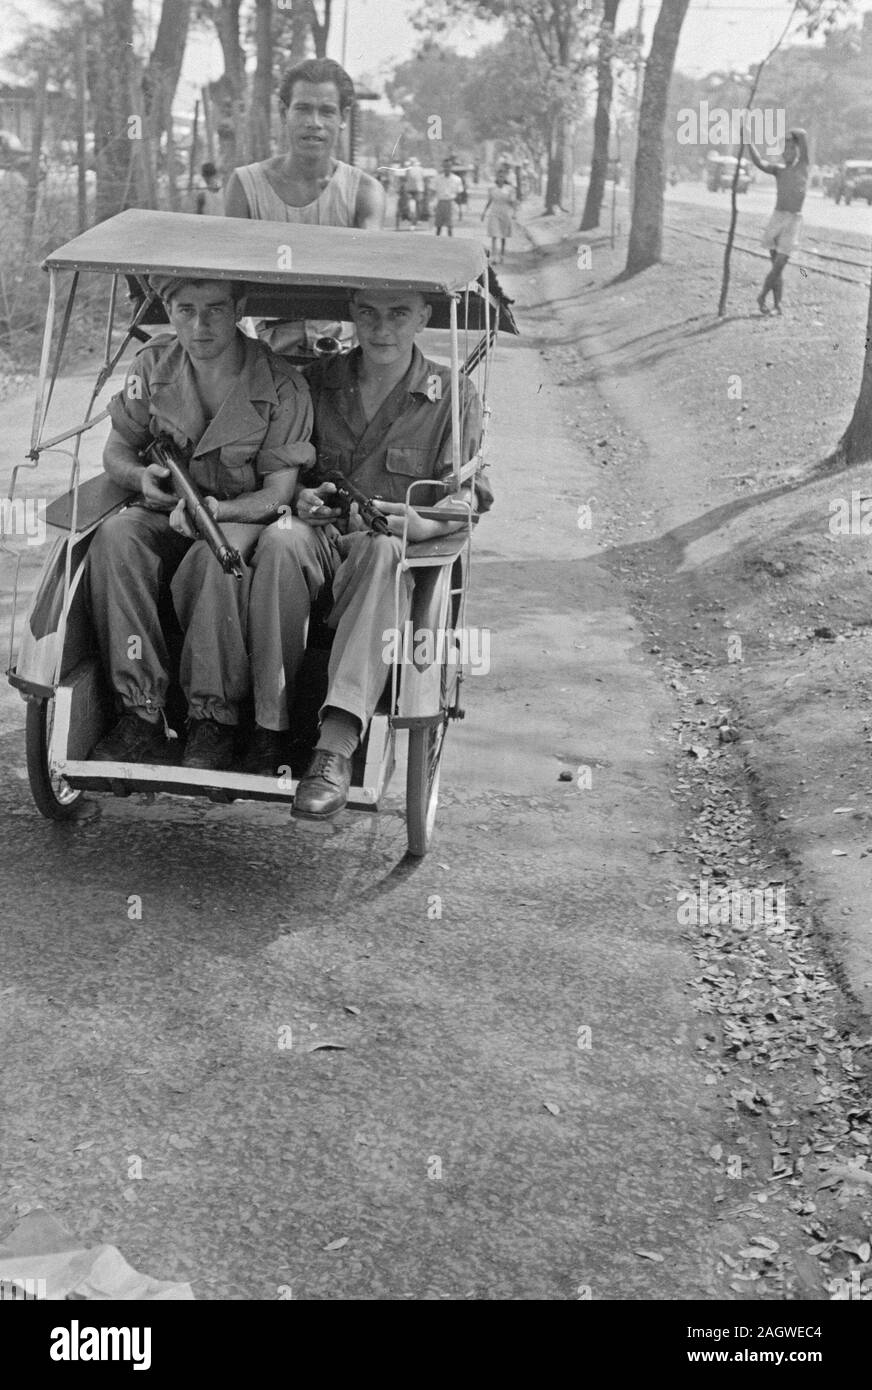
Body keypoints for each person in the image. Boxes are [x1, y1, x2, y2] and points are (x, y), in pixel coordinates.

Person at [243, 286, 490, 817]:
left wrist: (421, 523)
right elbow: (290, 472)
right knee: (279, 540)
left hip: (386, 550)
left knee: (383, 551)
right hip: (321, 537)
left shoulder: (453, 393)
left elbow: (467, 494)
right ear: (351, 315)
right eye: (368, 314)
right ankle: (269, 728)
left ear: (424, 316)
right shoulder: (314, 383)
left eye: (398, 314)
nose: (381, 329)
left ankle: (334, 747)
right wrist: (303, 497)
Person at [86, 276, 315, 771]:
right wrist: (140, 478)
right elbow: (117, 450)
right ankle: (141, 713)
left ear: (240, 308)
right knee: (115, 537)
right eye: (185, 309)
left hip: (240, 515)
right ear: (167, 309)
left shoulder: (279, 384)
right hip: (167, 512)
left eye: (214, 309)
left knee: (219, 557)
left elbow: (278, 493)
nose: (199, 324)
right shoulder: (152, 366)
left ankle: (213, 719)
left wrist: (219, 511)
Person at [224, 58, 385, 228]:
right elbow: (235, 253)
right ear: (284, 113)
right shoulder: (246, 186)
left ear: (343, 117)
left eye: (326, 111)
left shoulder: (364, 192)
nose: (314, 122)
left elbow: (370, 253)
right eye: (303, 109)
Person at [743, 124, 810, 315]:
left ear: (798, 152)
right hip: (777, 219)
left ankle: (762, 296)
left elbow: (802, 134)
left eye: (792, 149)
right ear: (782, 154)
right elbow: (759, 162)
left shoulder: (803, 165)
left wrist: (792, 133)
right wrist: (748, 141)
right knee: (776, 267)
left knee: (780, 263)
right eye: (786, 149)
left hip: (793, 221)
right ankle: (777, 304)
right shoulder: (779, 170)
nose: (789, 152)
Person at [481, 168, 515, 264]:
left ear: (505, 178)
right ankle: (494, 257)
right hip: (494, 212)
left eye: (502, 177)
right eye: (499, 176)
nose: (500, 178)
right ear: (496, 177)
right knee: (494, 235)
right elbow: (489, 201)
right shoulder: (492, 188)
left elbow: (512, 202)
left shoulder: (509, 189)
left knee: (503, 236)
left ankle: (502, 256)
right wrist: (484, 213)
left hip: (505, 212)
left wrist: (514, 212)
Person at [432, 158, 463, 236]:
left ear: (451, 167)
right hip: (440, 202)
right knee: (438, 227)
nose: (447, 168)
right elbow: (433, 192)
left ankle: (450, 245)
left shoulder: (457, 179)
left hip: (450, 203)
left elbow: (459, 196)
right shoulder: (437, 178)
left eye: (448, 166)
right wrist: (433, 204)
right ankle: (437, 243)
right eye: (445, 166)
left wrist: (460, 211)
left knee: (450, 227)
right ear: (443, 167)